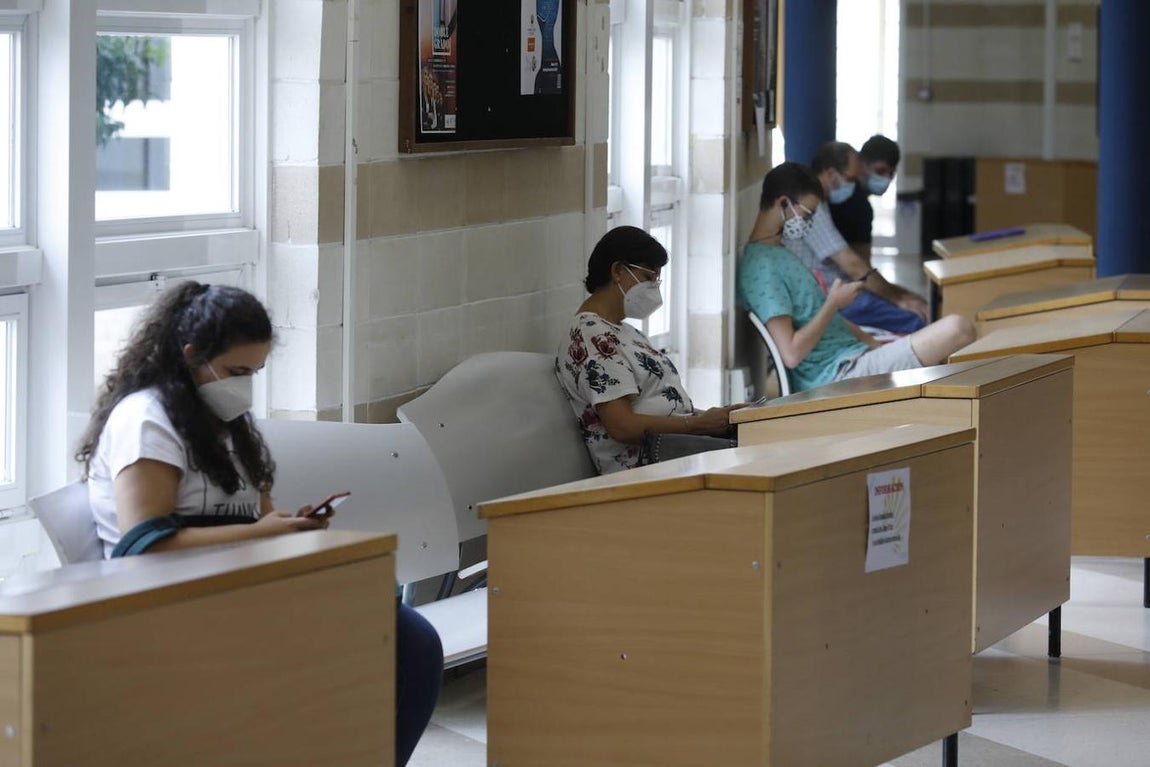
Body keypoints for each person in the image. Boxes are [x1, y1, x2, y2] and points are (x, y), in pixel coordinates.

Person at [75, 281, 441, 767]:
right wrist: (265, 534)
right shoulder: (147, 421)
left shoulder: (228, 425)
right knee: (369, 648)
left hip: (237, 591)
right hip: (167, 604)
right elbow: (140, 546)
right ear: (190, 357)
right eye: (236, 371)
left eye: (255, 372)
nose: (244, 385)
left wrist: (292, 526)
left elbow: (259, 513)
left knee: (406, 635)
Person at [738, 162, 974, 393]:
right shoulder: (762, 267)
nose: (808, 223)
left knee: (947, 349)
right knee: (958, 328)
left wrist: (876, 346)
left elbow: (830, 320)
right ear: (783, 202)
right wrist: (834, 303)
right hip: (839, 375)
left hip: (856, 356)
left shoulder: (782, 251)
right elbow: (791, 354)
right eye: (807, 214)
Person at [556, 226, 743, 474]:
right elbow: (623, 427)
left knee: (762, 432)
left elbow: (663, 405)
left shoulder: (626, 332)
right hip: (645, 466)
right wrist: (698, 425)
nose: (655, 287)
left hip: (675, 451)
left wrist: (714, 419)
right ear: (618, 271)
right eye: (649, 277)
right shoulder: (591, 336)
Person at [785, 141, 928, 335]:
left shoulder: (821, 203)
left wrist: (899, 295)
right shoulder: (809, 206)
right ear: (830, 174)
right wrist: (897, 300)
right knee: (917, 321)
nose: (854, 186)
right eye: (850, 179)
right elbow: (853, 265)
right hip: (830, 299)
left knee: (917, 308)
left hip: (843, 291)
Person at [830, 134, 900, 259]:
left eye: (892, 173)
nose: (887, 178)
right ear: (862, 165)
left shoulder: (858, 201)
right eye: (880, 171)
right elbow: (860, 262)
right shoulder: (855, 204)